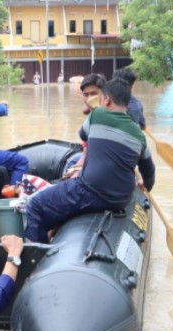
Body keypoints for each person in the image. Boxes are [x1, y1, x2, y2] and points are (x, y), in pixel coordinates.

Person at [24, 78, 156, 243]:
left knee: (35, 205)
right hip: (121, 199)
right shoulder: (139, 136)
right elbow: (149, 172)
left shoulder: (97, 115)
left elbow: (83, 135)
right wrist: (145, 185)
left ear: (106, 99)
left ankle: (34, 258)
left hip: (90, 191)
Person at [63, 73, 107, 178]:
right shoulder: (89, 120)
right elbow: (86, 154)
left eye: (93, 94)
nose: (89, 99)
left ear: (105, 94)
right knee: (69, 167)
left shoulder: (111, 117)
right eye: (86, 95)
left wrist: (79, 173)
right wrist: (75, 169)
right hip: (90, 162)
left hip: (104, 171)